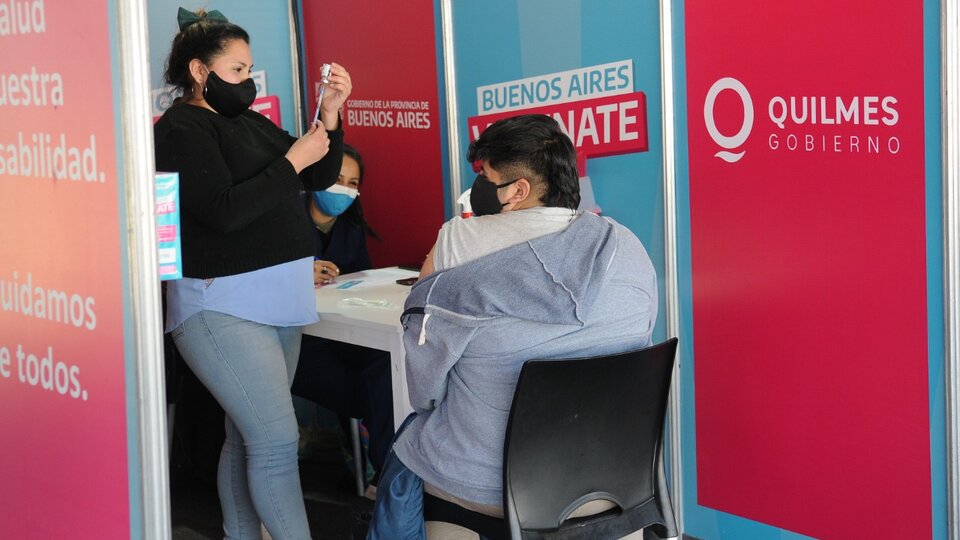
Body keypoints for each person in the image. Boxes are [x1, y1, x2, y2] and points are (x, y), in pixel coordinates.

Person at [367, 114, 659, 538]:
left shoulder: (457, 245)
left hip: (486, 486)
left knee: (410, 448)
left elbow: (425, 392)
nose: (476, 189)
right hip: (613, 479)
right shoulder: (625, 244)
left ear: (518, 191)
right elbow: (638, 346)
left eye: (486, 176)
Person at [153, 8, 352, 539]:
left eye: (250, 70)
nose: (249, 81)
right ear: (200, 70)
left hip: (277, 296)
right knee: (275, 442)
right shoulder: (180, 129)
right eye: (238, 70)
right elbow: (221, 210)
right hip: (221, 304)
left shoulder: (248, 121)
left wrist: (330, 116)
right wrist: (291, 161)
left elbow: (321, 173)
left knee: (248, 437)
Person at [289, 144, 394, 493]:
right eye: (336, 178)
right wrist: (297, 273)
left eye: (353, 183)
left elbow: (360, 281)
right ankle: (383, 471)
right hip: (299, 342)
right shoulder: (284, 222)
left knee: (387, 368)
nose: (344, 190)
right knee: (370, 397)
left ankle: (386, 477)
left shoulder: (350, 227)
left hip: (348, 335)